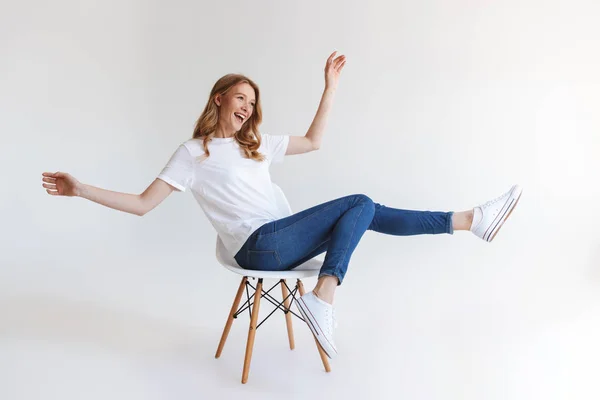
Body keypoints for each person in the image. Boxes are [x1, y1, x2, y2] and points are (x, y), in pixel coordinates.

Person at [41, 51, 523, 360]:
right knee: (360, 203)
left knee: (365, 208)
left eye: (252, 101)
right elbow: (144, 203)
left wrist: (329, 89)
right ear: (219, 99)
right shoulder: (195, 153)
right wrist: (81, 188)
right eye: (240, 98)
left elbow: (314, 141)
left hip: (281, 241)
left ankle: (469, 221)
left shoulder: (257, 145)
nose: (248, 107)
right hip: (257, 248)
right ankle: (326, 297)